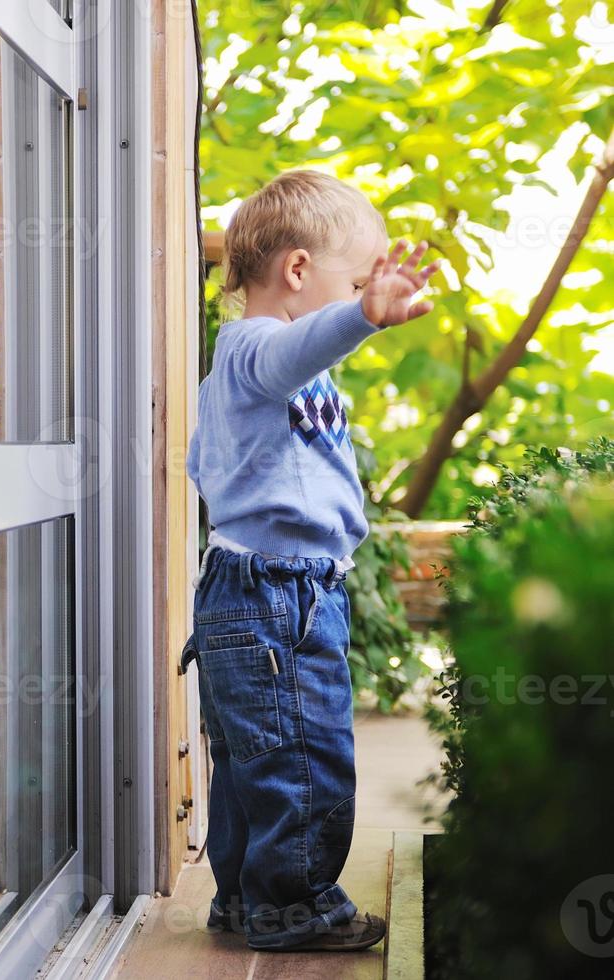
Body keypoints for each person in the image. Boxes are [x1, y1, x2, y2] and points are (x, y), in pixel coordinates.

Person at [183, 170, 441, 952]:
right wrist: (364, 315)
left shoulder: (256, 371)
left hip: (262, 587)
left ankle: (243, 898)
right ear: (297, 271)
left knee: (252, 763)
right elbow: (294, 349)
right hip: (274, 595)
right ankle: (294, 907)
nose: (369, 293)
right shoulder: (258, 348)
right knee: (304, 758)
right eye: (356, 278)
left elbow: (207, 462)